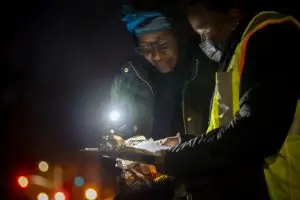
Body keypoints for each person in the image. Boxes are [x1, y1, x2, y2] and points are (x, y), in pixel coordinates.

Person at [155, 0, 300, 199]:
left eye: (205, 32)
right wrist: (181, 143)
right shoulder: (232, 56)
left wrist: (177, 157)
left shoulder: (272, 36)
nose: (204, 41)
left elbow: (256, 133)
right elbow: (224, 131)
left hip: (283, 187)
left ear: (232, 16)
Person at [105, 5, 218, 141]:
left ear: (178, 39)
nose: (156, 56)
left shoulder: (206, 70)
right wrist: (118, 138)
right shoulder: (128, 80)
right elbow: (114, 131)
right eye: (146, 48)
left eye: (163, 45)